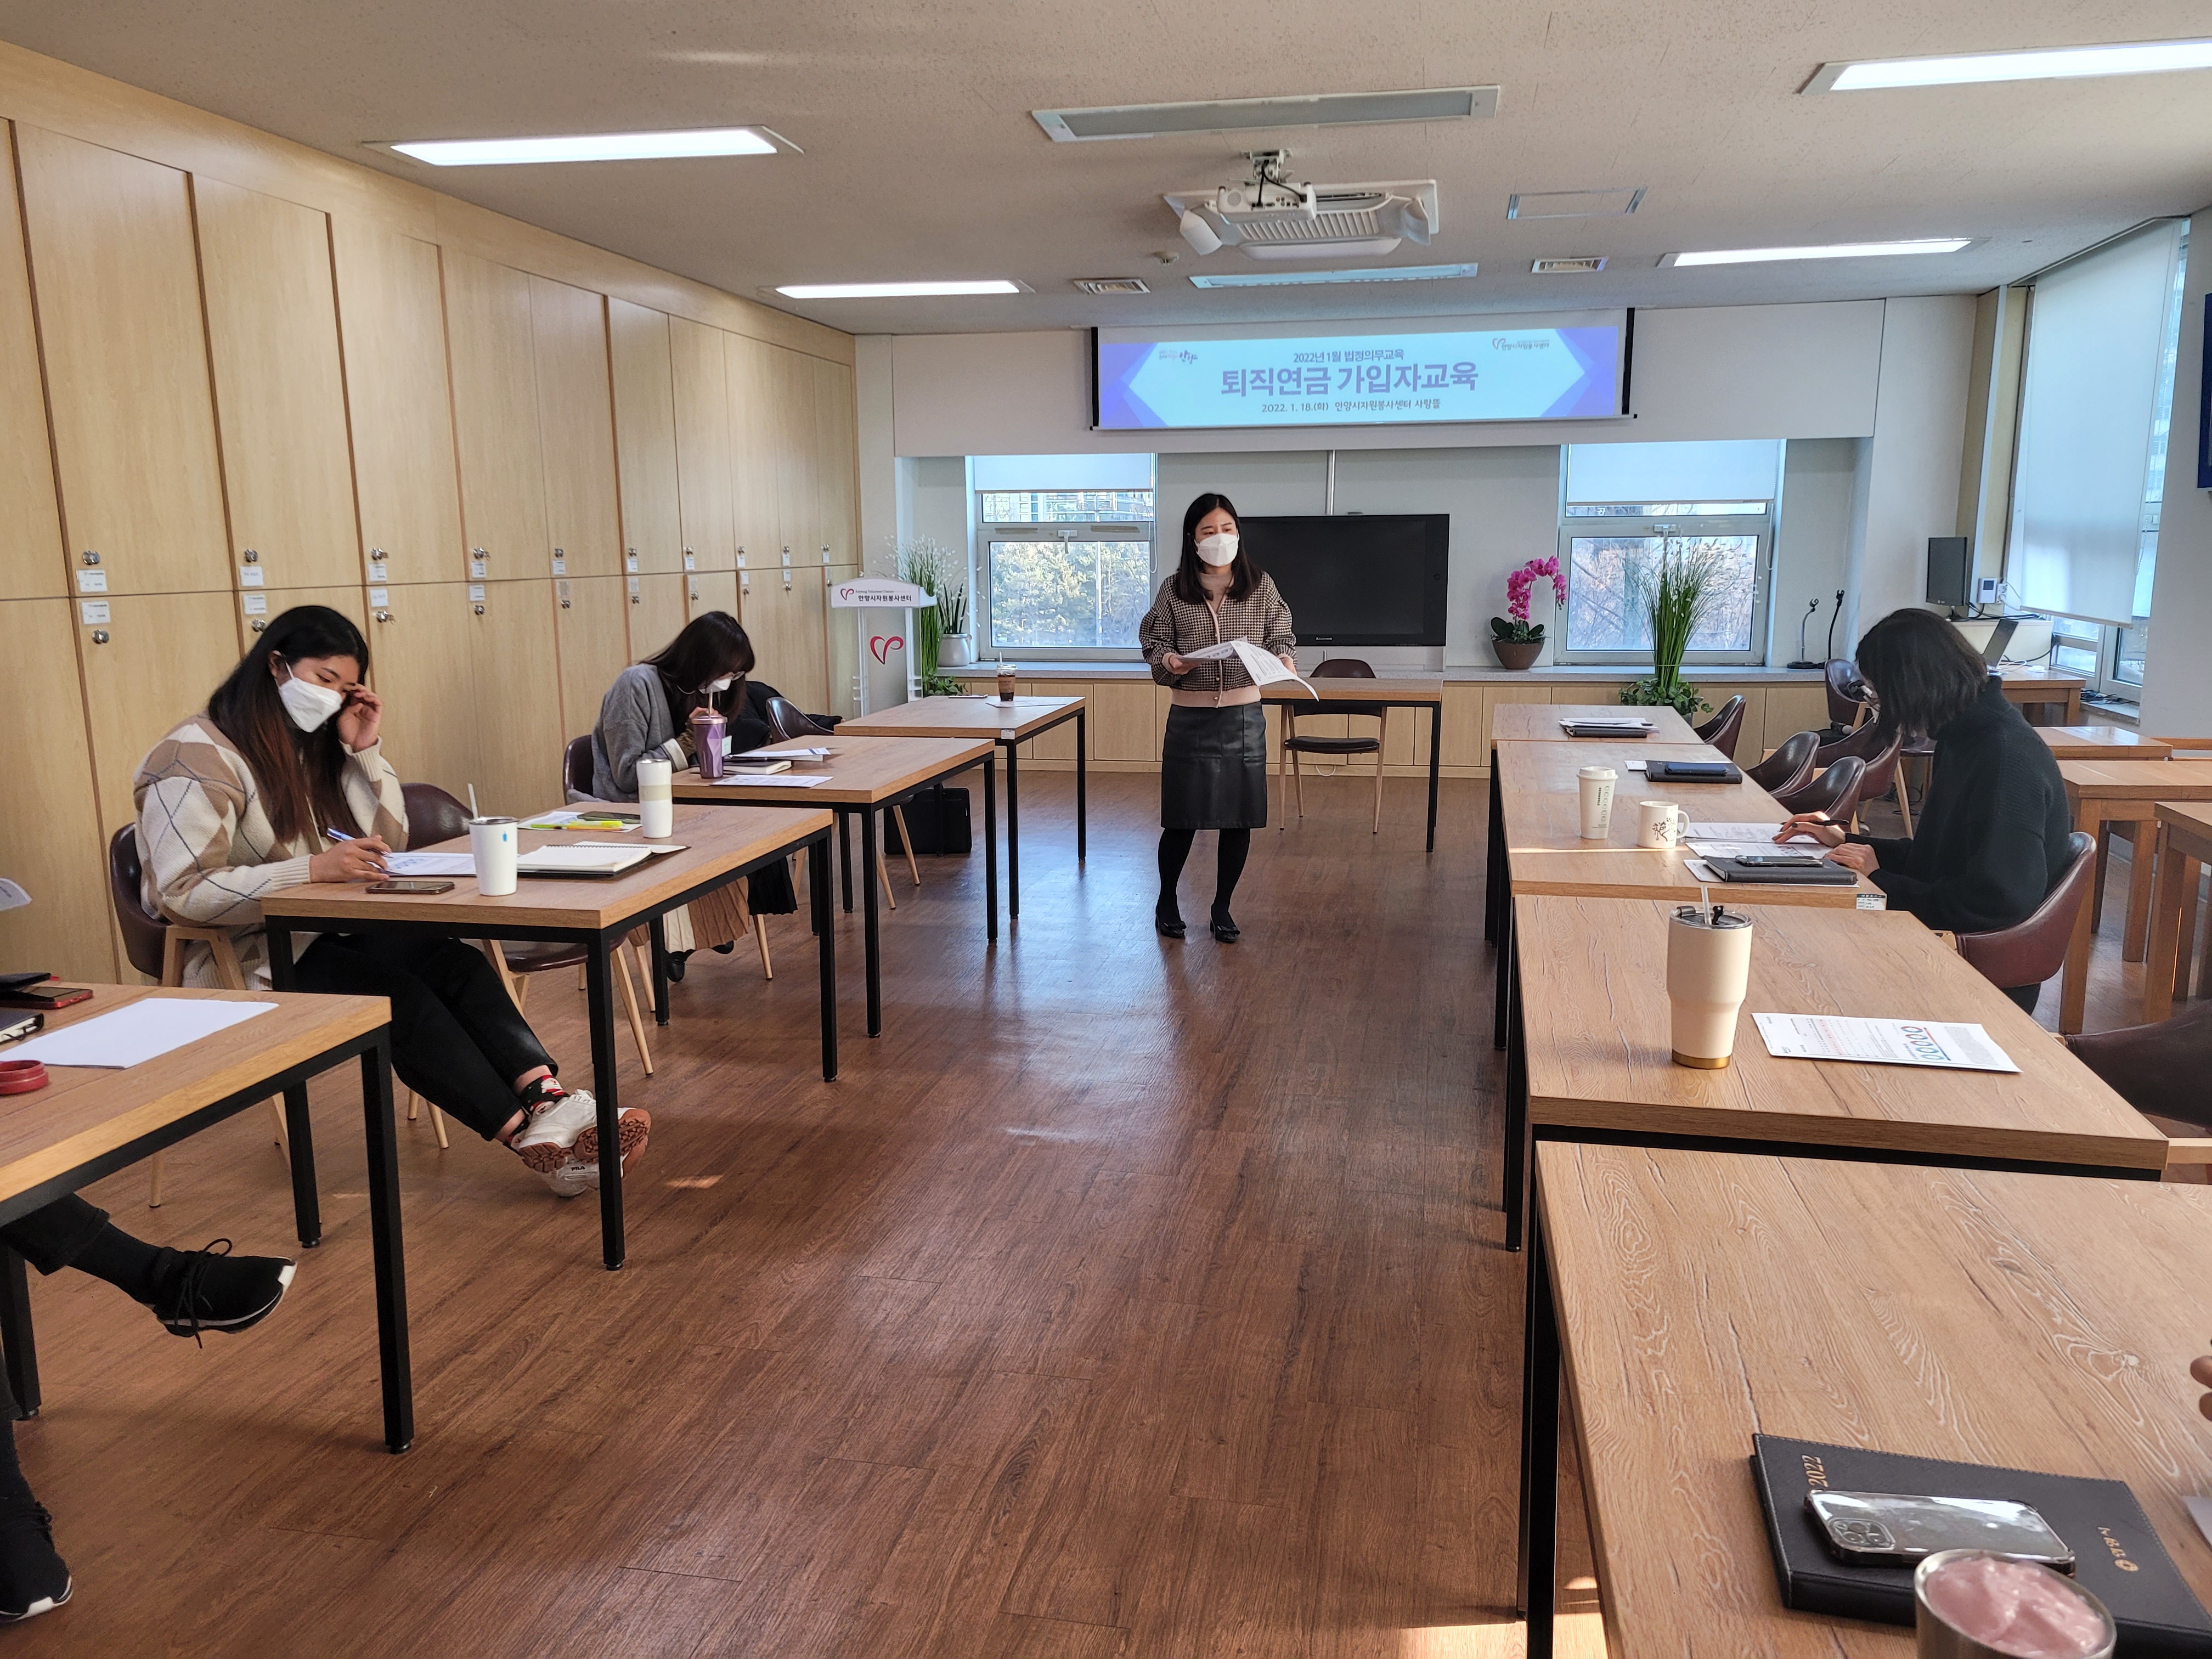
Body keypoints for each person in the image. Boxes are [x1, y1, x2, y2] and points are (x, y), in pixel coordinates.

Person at [134, 606, 646, 1198]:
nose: (333, 697)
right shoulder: (192, 757)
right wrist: (310, 870)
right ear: (276, 665)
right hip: (246, 951)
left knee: (456, 963)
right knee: (398, 1000)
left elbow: (390, 841)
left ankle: (549, 1103)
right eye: (324, 679)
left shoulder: (309, 744)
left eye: (347, 687)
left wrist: (363, 752)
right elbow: (183, 893)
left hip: (331, 926)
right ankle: (533, 1139)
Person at [1778, 607, 2073, 1009]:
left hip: (1975, 969)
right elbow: (1939, 860)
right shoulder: (1964, 736)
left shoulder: (2004, 758)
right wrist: (1846, 840)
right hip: (1945, 937)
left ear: (1912, 687)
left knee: (1801, 965)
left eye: (1877, 693)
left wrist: (1880, 879)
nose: (1879, 706)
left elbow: (1993, 903)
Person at [589, 612, 798, 978]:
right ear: (699, 661)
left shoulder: (704, 693)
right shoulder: (636, 684)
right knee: (704, 837)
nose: (729, 681)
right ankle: (684, 936)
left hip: (684, 800)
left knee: (755, 825)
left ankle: (712, 922)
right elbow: (627, 775)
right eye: (726, 671)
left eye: (736, 674)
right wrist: (688, 740)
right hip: (633, 808)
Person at [1138, 494, 1296, 943]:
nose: (1219, 538)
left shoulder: (1260, 586)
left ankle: (1222, 906)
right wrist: (1170, 661)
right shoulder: (1174, 590)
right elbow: (1154, 641)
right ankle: (1167, 900)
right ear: (1193, 539)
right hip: (1190, 719)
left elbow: (1281, 632)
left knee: (1238, 819)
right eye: (1208, 531)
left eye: (1227, 529)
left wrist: (1284, 657)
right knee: (1182, 819)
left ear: (1238, 534)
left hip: (1244, 718)